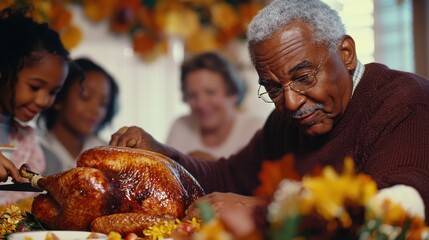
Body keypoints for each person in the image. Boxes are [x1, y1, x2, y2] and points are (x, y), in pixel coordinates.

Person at [110, 0, 429, 224]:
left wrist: (265, 210)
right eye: (274, 88)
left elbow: (395, 208)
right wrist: (159, 153)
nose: (290, 103)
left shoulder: (405, 103)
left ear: (345, 53)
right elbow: (227, 177)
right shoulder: (289, 121)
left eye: (304, 78)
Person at [0, 6, 69, 205]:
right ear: (3, 69)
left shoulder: (28, 142)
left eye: (53, 92)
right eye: (34, 87)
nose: (42, 101)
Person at [166, 52, 265, 160]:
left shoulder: (256, 128)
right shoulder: (181, 126)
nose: (201, 104)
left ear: (233, 94)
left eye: (210, 93)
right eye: (192, 95)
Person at [38, 57, 119, 175]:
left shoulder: (108, 154)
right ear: (59, 97)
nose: (96, 110)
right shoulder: (34, 150)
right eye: (85, 96)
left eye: (103, 104)